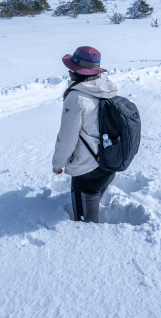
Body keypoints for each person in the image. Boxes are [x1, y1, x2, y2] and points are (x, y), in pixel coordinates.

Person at [52, 46, 117, 223]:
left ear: (78, 71)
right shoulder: (106, 89)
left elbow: (67, 138)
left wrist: (58, 163)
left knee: (85, 224)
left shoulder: (77, 98)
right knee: (94, 199)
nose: (69, 71)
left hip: (87, 170)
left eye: (71, 68)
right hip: (108, 164)